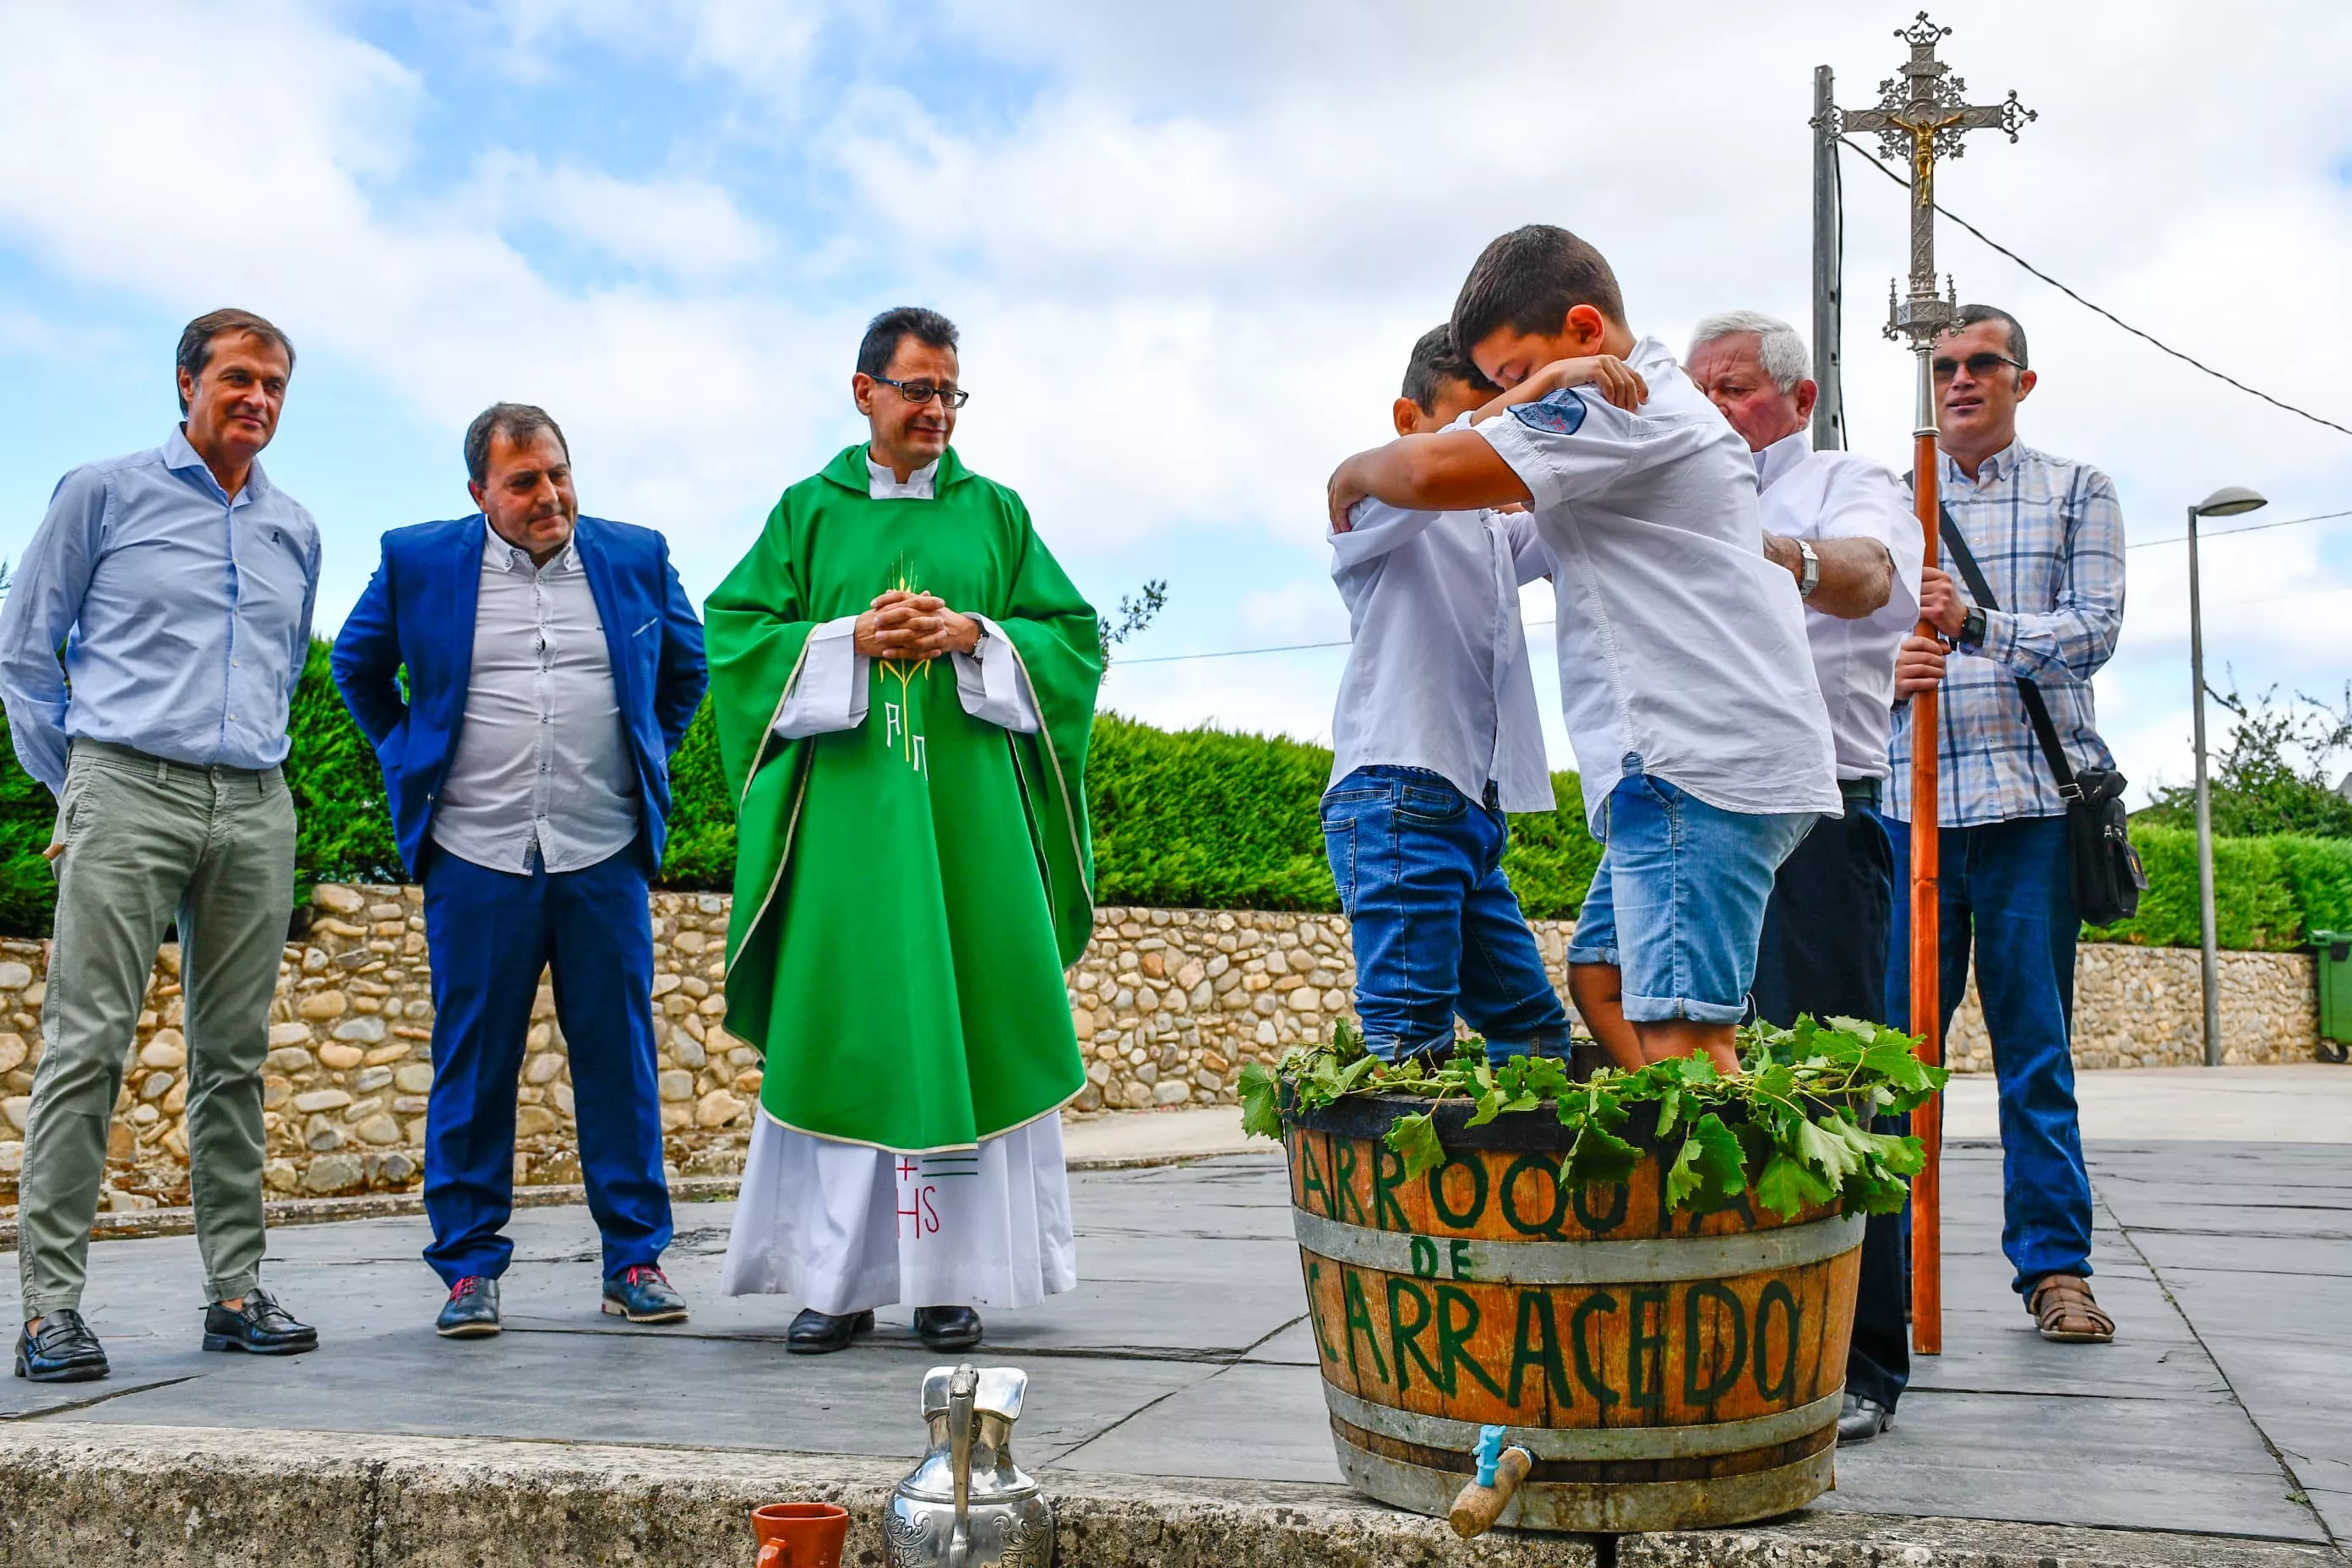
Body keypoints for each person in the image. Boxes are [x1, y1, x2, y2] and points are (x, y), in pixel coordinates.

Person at [1327, 226, 1838, 1076]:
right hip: (1676, 760)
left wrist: (1358, 467)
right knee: (1598, 976)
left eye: (1517, 377)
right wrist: (1539, 382)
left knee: (1686, 1044)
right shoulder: (1643, 409)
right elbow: (1426, 479)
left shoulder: (1611, 408)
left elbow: (1428, 474)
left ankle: (1717, 1204)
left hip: (1690, 762)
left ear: (1586, 332)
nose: (1517, 406)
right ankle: (1669, 1196)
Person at [705, 307, 1100, 1355]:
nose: (936, 411)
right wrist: (847, 636)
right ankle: (836, 1282)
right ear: (865, 391)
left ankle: (950, 1280)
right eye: (918, 389)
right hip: (848, 836)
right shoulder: (809, 512)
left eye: (950, 392)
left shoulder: (996, 515)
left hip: (967, 834)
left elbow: (1075, 642)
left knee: (960, 1035)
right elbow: (735, 641)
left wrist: (975, 633)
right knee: (850, 1034)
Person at [331, 403, 707, 1337]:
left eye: (558, 474)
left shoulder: (635, 554)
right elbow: (357, 665)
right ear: (480, 493)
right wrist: (409, 754)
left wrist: (645, 756)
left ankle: (635, 1260)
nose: (549, 496)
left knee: (619, 1060)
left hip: (601, 850)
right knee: (474, 1062)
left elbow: (687, 671)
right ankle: (468, 1269)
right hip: (475, 854)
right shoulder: (417, 558)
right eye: (524, 482)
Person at [0, 309, 322, 1381]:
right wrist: (81, 784)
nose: (258, 400)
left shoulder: (296, 530)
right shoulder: (103, 493)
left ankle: (234, 1289)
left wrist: (256, 787)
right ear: (186, 381)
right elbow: (24, 650)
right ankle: (49, 1307)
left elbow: (278, 675)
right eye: (237, 377)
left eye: (274, 384)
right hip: (126, 784)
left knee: (234, 1060)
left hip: (255, 800)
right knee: (84, 1046)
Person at [1687, 310, 1919, 1444]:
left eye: (1734, 389)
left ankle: (1862, 1360)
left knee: (1833, 1088)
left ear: (1798, 396)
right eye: (1701, 390)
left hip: (1820, 823)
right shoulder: (1673, 483)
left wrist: (1763, 551)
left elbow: (1871, 580)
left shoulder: (1846, 480)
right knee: (1709, 1083)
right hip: (1695, 822)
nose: (1715, 408)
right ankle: (1742, 1338)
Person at [1887, 305, 2125, 1345]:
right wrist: (1888, 676)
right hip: (1913, 816)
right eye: (1945, 366)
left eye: (1984, 364)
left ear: (2023, 382)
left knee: (2035, 1053)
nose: (1962, 380)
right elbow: (1840, 644)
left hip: (2030, 811)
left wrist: (1976, 625)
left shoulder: (2080, 490)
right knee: (1899, 1062)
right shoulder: (1896, 502)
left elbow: (2096, 632)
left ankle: (2055, 1269)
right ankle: (1885, 1274)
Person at [1322, 325, 1579, 1068]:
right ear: (1409, 422)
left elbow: (1568, 519)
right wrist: (1526, 400)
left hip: (1466, 809)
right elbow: (1430, 473)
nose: (1492, 449)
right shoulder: (1373, 506)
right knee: (1408, 1044)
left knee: (1533, 1035)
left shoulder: (1494, 531)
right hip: (1397, 795)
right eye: (1480, 419)